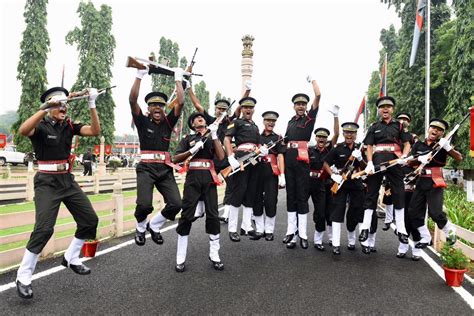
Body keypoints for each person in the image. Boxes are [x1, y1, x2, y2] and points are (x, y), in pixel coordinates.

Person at [15, 86, 101, 299]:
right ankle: (23, 275)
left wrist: (92, 103)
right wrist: (44, 108)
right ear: (50, 105)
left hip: (67, 180)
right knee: (44, 229)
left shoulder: (69, 125)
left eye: (64, 103)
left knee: (90, 220)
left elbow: (94, 131)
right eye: (58, 103)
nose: (63, 107)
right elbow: (23, 131)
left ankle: (71, 257)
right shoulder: (41, 126)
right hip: (46, 182)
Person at [129, 65, 185, 246]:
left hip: (164, 169)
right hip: (146, 169)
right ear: (149, 108)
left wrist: (178, 78)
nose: (157, 107)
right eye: (153, 105)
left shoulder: (168, 123)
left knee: (176, 204)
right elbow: (132, 100)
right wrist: (139, 75)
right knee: (145, 205)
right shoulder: (142, 122)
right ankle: (140, 228)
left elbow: (181, 103)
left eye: (160, 105)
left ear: (164, 107)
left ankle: (154, 225)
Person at [188, 81, 249, 223]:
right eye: (219, 109)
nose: (221, 111)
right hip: (211, 158)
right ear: (215, 110)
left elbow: (240, 106)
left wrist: (247, 91)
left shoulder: (229, 121)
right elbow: (197, 106)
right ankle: (200, 209)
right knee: (205, 182)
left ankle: (226, 213)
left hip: (226, 158)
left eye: (224, 109)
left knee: (232, 184)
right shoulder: (209, 121)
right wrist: (190, 88)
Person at [172, 112, 225, 272]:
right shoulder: (188, 139)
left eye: (201, 117)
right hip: (193, 179)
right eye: (195, 118)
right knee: (187, 215)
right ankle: (180, 257)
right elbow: (175, 158)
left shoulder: (211, 137)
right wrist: (192, 150)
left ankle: (214, 254)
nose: (199, 118)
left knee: (213, 215)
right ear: (193, 125)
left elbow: (221, 156)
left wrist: (215, 135)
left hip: (209, 179)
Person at [406, 119, 462, 259]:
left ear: (442, 133)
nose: (435, 131)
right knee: (413, 212)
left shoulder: (442, 145)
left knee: (435, 213)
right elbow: (409, 161)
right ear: (428, 129)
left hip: (435, 181)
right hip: (420, 181)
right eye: (433, 128)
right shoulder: (418, 144)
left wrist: (448, 147)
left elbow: (459, 158)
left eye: (439, 130)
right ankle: (425, 237)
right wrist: (419, 159)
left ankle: (450, 231)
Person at [360, 96, 411, 248]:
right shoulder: (374, 126)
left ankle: (401, 229)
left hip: (395, 160)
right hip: (377, 160)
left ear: (392, 109)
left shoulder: (400, 126)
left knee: (399, 192)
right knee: (371, 193)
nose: (385, 109)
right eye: (382, 107)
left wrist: (404, 156)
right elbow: (369, 146)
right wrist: (369, 162)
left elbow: (407, 144)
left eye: (388, 106)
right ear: (379, 110)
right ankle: (364, 227)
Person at [283, 76, 321, 249]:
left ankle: (303, 234)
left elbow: (318, 96)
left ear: (306, 106)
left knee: (302, 196)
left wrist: (313, 81)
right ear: (294, 106)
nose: (300, 106)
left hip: (302, 160)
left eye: (303, 104)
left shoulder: (309, 119)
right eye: (298, 104)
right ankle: (291, 233)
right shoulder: (290, 122)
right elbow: (285, 141)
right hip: (289, 159)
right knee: (291, 196)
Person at [224, 97, 268, 242]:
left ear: (253, 109)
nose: (248, 110)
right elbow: (226, 139)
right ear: (241, 109)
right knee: (238, 192)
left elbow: (259, 143)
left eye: (251, 107)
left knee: (251, 193)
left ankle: (247, 227)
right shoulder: (236, 122)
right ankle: (232, 229)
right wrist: (231, 156)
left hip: (254, 161)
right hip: (241, 159)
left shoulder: (255, 126)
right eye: (245, 107)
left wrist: (262, 149)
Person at [323, 122, 365, 255]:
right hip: (341, 184)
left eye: (352, 133)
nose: (349, 135)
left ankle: (352, 241)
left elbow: (365, 167)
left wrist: (360, 158)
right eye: (347, 132)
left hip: (356, 183)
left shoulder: (360, 148)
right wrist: (332, 175)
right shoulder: (337, 148)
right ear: (343, 134)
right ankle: (335, 243)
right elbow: (325, 163)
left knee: (355, 212)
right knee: (337, 212)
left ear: (355, 135)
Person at [308, 105, 339, 250]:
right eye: (319, 136)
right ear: (315, 138)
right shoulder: (309, 150)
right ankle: (294, 236)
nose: (321, 139)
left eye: (324, 137)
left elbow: (337, 134)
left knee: (323, 212)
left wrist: (335, 116)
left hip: (324, 184)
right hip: (309, 183)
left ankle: (319, 240)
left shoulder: (329, 149)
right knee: (299, 208)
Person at [251, 111, 286, 241]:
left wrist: (282, 175)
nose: (271, 123)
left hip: (272, 173)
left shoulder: (278, 138)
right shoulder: (256, 137)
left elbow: (281, 156)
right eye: (268, 120)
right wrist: (258, 157)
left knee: (271, 201)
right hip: (257, 172)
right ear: (263, 121)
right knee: (257, 200)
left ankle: (269, 230)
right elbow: (251, 159)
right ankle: (260, 229)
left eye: (273, 121)